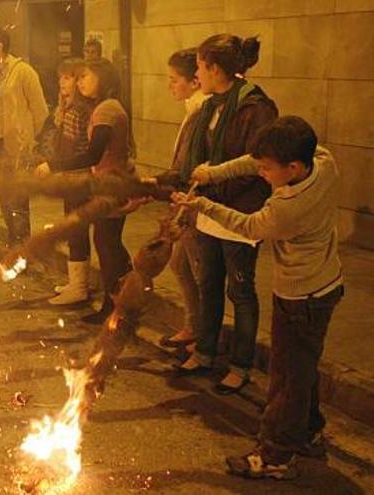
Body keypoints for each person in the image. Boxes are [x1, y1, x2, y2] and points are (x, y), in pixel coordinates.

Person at [175, 116, 342, 480]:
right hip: (327, 284)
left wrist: (202, 205)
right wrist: (213, 174)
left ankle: (276, 454)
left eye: (267, 170)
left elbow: (248, 226)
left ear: (293, 168)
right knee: (303, 367)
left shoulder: (288, 208)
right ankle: (308, 431)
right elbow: (254, 159)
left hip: (301, 296)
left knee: (286, 376)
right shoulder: (323, 161)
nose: (261, 173)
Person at [173, 34, 278, 396]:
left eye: (200, 66)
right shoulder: (209, 105)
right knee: (209, 284)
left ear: (215, 68)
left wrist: (215, 187)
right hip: (209, 210)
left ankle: (240, 365)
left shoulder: (256, 108)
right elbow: (197, 157)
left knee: (242, 291)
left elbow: (256, 166)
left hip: (241, 214)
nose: (197, 73)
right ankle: (204, 351)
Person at [38, 59, 139, 324]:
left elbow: (93, 154)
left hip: (111, 185)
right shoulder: (103, 107)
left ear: (103, 79)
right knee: (108, 244)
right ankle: (123, 299)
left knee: (107, 245)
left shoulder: (107, 110)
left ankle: (117, 304)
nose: (81, 81)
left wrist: (53, 165)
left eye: (86, 77)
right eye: (79, 77)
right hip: (107, 183)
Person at [154, 48, 207, 349]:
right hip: (185, 198)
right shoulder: (193, 109)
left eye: (174, 79)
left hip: (194, 201)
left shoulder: (201, 112)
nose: (170, 86)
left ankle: (200, 337)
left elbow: (188, 164)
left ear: (195, 81)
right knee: (180, 264)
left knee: (197, 271)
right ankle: (193, 327)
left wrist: (162, 185)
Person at [0, 26, 48, 246]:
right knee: (4, 195)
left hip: (16, 145)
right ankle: (13, 242)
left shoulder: (23, 72)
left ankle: (23, 248)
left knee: (18, 197)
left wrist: (28, 139)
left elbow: (40, 111)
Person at [34, 58, 93, 305]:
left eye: (69, 77)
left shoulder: (78, 111)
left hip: (78, 178)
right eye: (62, 78)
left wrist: (53, 165)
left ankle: (79, 287)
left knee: (76, 230)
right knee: (73, 228)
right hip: (72, 177)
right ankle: (76, 282)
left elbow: (73, 149)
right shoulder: (67, 109)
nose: (63, 83)